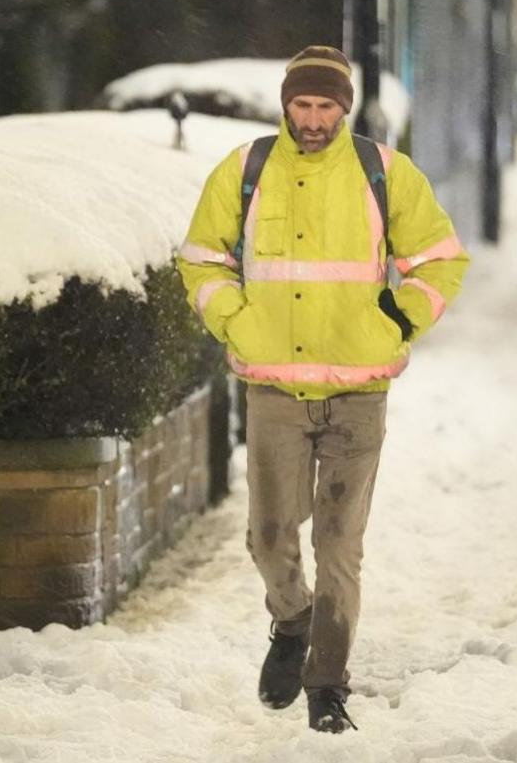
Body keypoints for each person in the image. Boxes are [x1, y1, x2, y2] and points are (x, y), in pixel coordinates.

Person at [176, 45, 469, 733]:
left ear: (344, 107)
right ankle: (291, 618)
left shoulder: (382, 173)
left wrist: (398, 317)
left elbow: (440, 258)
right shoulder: (246, 171)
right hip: (274, 386)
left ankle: (326, 685)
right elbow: (201, 257)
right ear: (287, 107)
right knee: (269, 536)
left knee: (340, 543)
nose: (313, 119)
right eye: (303, 106)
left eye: (326, 106)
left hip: (359, 391)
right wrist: (234, 318)